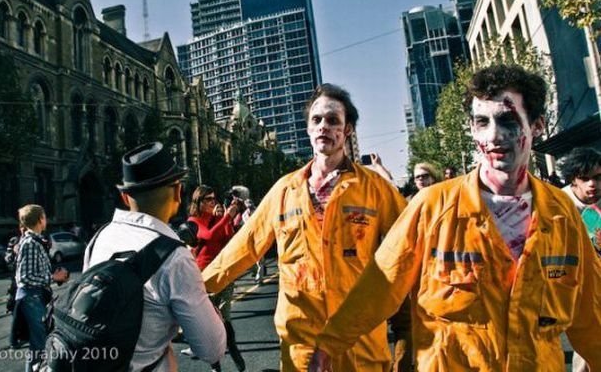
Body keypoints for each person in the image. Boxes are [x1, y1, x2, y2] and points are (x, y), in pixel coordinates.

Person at [309, 65, 601, 371]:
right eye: (481, 122)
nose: (493, 135)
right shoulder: (433, 207)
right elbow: (380, 285)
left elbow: (590, 315)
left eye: (507, 121)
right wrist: (329, 344)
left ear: (537, 126)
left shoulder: (562, 214)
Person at [203, 83, 410, 372]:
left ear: (347, 129)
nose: (324, 126)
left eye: (333, 120)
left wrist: (409, 332)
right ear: (308, 129)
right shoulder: (285, 190)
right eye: (316, 120)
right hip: (302, 351)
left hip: (360, 348)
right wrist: (198, 288)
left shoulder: (376, 189)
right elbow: (244, 247)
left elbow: (414, 246)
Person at [84, 142, 226, 371]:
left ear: (124, 197)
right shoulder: (175, 257)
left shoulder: (98, 238)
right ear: (179, 193)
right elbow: (212, 348)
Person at [183, 187, 246, 371]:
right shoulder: (193, 221)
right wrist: (227, 217)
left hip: (223, 274)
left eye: (213, 198)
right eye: (208, 199)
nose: (212, 202)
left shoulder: (219, 218)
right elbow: (208, 235)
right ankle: (216, 367)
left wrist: (230, 216)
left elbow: (229, 237)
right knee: (211, 323)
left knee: (225, 317)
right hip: (204, 277)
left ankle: (237, 357)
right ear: (198, 202)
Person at [14, 204, 69, 371]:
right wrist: (53, 277)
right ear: (39, 219)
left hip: (36, 297)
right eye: (44, 216)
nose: (46, 220)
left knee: (39, 343)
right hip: (32, 298)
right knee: (40, 344)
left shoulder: (35, 241)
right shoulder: (31, 242)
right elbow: (24, 277)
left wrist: (54, 276)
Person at [560, 147, 601, 372]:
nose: (592, 185)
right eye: (584, 179)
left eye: (597, 178)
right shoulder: (557, 204)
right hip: (573, 284)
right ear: (573, 181)